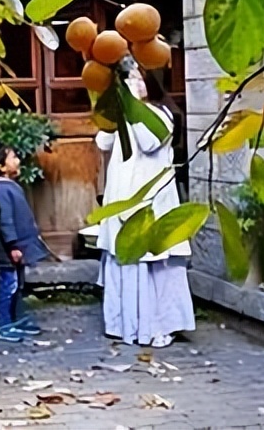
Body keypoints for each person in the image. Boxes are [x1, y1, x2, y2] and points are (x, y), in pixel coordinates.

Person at [95, 65, 195, 348]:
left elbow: (149, 142)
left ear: (151, 83)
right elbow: (102, 141)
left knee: (153, 266)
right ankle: (122, 325)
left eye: (137, 78)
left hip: (151, 205)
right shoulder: (128, 116)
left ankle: (158, 326)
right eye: (128, 79)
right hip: (121, 203)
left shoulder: (162, 116)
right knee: (123, 261)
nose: (131, 84)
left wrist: (132, 105)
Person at [0, 141, 51, 343]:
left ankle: (17, 319)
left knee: (18, 284)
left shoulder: (9, 187)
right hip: (10, 249)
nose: (18, 160)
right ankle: (3, 324)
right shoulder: (1, 190)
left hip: (18, 247)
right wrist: (13, 245)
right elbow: (6, 221)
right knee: (9, 285)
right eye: (13, 157)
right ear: (1, 166)